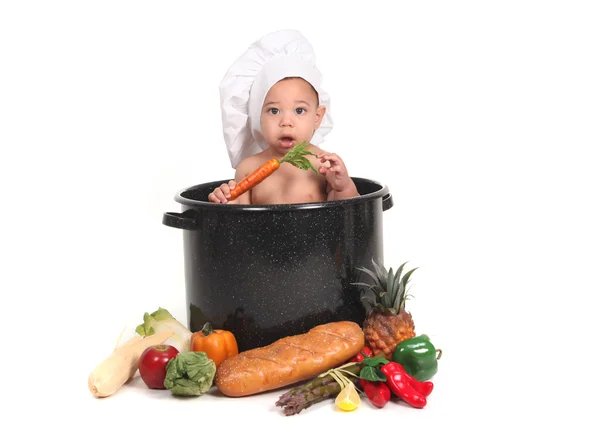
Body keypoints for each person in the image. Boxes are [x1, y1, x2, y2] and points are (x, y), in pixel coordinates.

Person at [209, 30, 359, 205]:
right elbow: (238, 222)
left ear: (317, 117)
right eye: (274, 111)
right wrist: (226, 200)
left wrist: (342, 187)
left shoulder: (324, 166)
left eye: (299, 110)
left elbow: (347, 217)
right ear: (258, 117)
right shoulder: (248, 168)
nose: (286, 122)